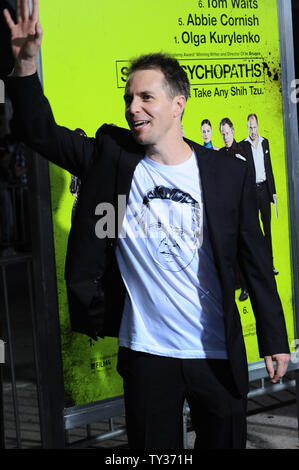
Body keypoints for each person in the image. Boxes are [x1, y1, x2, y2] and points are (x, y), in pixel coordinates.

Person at [4, 0, 290, 450]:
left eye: (145, 97)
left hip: (215, 354)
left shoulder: (224, 174)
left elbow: (256, 262)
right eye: (128, 99)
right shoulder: (111, 158)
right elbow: (40, 131)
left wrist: (274, 338)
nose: (133, 108)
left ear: (179, 103)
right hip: (147, 355)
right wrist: (26, 65)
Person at [242, 114, 278, 275]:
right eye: (250, 127)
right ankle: (258, 267)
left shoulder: (265, 143)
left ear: (258, 125)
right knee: (255, 231)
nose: (253, 130)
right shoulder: (243, 145)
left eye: (255, 126)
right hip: (252, 193)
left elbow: (269, 169)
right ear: (247, 127)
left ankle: (270, 265)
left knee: (267, 229)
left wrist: (274, 192)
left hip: (264, 190)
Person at [219, 118, 249, 302]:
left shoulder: (242, 151)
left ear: (233, 131)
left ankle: (246, 285)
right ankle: (236, 283)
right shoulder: (221, 153)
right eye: (222, 134)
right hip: (226, 208)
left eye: (227, 133)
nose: (225, 137)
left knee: (243, 249)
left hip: (241, 207)